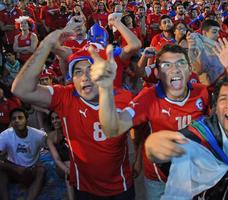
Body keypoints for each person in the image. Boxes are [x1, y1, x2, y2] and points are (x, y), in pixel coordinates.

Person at [11, 15, 140, 199]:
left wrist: (139, 159)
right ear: (72, 80)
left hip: (121, 187)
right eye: (78, 72)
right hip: (83, 187)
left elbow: (138, 130)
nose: (85, 76)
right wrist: (47, 43)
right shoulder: (66, 96)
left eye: (91, 69)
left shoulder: (123, 97)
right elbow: (20, 89)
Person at [91, 44, 210, 200]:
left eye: (180, 63)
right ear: (157, 74)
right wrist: (105, 89)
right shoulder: (148, 98)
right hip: (158, 180)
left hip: (193, 177)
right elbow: (112, 129)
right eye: (167, 65)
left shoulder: (203, 92)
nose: (175, 69)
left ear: (189, 69)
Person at [0, 108, 46, 200]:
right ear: (11, 123)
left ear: (27, 120)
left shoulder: (39, 135)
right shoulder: (5, 135)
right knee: (1, 173)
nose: (17, 120)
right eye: (14, 119)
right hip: (12, 169)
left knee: (42, 171)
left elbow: (49, 143)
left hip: (31, 170)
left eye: (20, 118)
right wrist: (14, 168)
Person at [46, 111, 74, 200]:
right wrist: (67, 170)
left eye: (57, 118)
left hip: (77, 165)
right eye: (52, 119)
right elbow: (57, 159)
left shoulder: (72, 131)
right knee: (69, 169)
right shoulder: (50, 137)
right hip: (62, 167)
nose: (55, 121)